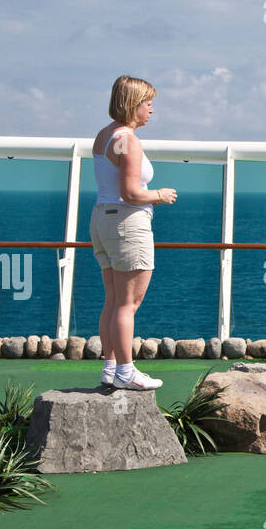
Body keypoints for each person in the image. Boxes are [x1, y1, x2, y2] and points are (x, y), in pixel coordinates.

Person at [91, 75, 177, 390]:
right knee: (128, 303)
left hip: (102, 219)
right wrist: (160, 194)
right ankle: (126, 372)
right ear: (133, 104)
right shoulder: (128, 139)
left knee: (113, 300)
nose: (152, 110)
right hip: (126, 223)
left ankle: (111, 367)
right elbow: (130, 193)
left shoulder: (103, 135)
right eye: (148, 103)